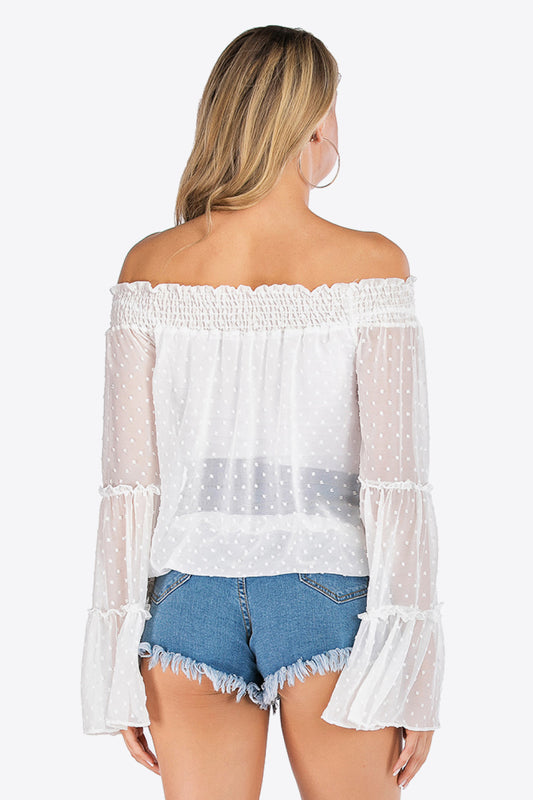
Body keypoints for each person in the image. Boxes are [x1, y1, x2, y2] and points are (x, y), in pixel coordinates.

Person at [80, 24, 445, 799]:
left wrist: (114, 659)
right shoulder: (371, 265)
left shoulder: (150, 265)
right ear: (312, 120)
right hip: (328, 591)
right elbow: (395, 483)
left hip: (184, 594)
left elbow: (129, 484)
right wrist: (412, 670)